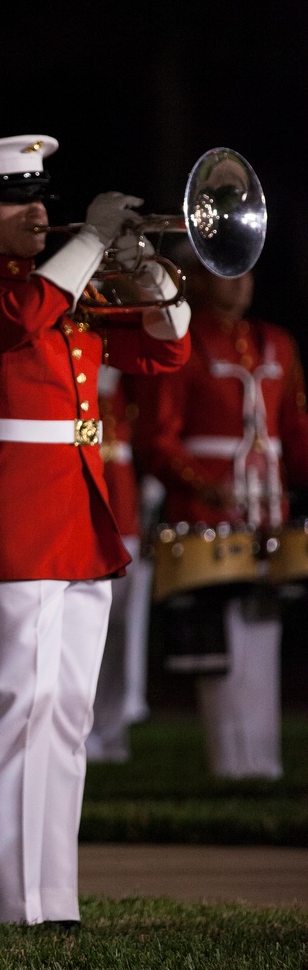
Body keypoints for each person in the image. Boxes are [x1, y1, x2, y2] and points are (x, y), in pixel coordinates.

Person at [0, 134, 190, 926]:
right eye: (15, 199)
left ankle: (54, 899)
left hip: (78, 515)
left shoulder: (66, 289)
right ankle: (9, 905)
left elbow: (165, 351)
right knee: (15, 708)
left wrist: (146, 270)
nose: (38, 211)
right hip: (11, 516)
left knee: (69, 714)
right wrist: (88, 244)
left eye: (41, 196)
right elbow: (17, 320)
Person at [133, 261, 308, 778]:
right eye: (228, 273)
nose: (241, 283)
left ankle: (263, 761)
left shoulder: (278, 342)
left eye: (248, 273)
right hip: (208, 514)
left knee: (263, 631)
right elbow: (157, 439)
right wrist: (199, 483)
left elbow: (295, 432)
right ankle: (232, 762)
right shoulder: (183, 342)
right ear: (202, 279)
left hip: (267, 511)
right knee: (223, 641)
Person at [85, 365, 152, 762]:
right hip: (84, 515)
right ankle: (83, 729)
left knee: (120, 629)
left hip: (124, 514)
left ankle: (111, 728)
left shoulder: (127, 383)